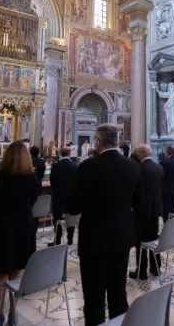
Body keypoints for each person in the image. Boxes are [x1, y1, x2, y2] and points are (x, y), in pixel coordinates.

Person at [67, 124, 143, 326]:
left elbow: (73, 207)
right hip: (121, 238)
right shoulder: (133, 166)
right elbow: (137, 202)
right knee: (118, 294)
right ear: (117, 141)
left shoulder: (87, 167)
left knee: (94, 298)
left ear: (97, 143)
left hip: (94, 242)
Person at [0, 141, 39, 325]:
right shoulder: (32, 178)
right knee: (17, 273)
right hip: (23, 227)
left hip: (0, 227)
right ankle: (13, 313)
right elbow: (33, 200)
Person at [129, 144, 163, 280]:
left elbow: (134, 190)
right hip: (155, 210)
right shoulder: (159, 167)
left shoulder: (138, 168)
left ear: (141, 154)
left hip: (140, 211)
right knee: (154, 239)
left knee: (140, 242)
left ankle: (141, 271)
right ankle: (156, 268)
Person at [48, 147, 78, 246]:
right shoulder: (75, 166)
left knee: (57, 218)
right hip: (71, 197)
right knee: (70, 217)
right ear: (69, 153)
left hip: (58, 196)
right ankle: (70, 238)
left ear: (61, 153)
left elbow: (52, 180)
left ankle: (58, 239)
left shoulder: (55, 166)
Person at [160, 145, 174, 222]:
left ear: (167, 152)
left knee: (165, 209)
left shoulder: (164, 162)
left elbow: (161, 176)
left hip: (166, 189)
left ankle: (166, 224)